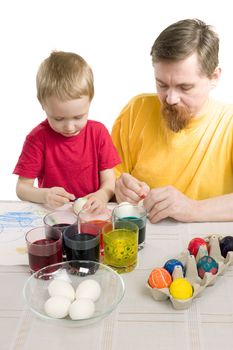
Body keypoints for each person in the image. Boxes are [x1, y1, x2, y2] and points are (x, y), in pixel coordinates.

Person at [111, 18, 233, 224]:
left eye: (185, 87)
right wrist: (117, 188)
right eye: (162, 85)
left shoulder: (228, 124)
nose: (170, 99)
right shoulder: (136, 110)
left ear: (214, 77)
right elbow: (108, 178)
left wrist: (194, 209)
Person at [13, 51, 121, 211]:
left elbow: (109, 182)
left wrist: (103, 195)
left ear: (90, 101)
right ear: (43, 104)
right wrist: (45, 195)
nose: (69, 127)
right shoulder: (37, 139)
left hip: (93, 212)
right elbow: (22, 188)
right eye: (58, 118)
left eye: (78, 117)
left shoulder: (98, 133)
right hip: (55, 215)